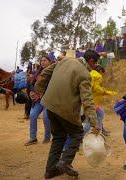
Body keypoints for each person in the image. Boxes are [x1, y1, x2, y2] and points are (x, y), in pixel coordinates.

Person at [33, 49, 100, 178]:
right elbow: (87, 100)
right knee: (77, 133)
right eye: (95, 64)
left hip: (49, 105)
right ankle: (65, 162)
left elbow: (45, 72)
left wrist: (38, 89)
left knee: (58, 137)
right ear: (91, 61)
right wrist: (94, 122)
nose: (95, 67)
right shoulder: (85, 74)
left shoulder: (64, 60)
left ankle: (50, 170)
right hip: (64, 109)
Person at [24, 56, 54, 146]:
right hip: (38, 100)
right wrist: (32, 92)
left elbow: (53, 86)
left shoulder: (54, 73)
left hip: (49, 100)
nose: (42, 62)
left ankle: (47, 137)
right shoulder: (38, 73)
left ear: (50, 62)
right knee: (32, 115)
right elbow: (32, 84)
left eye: (45, 60)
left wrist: (40, 93)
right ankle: (33, 138)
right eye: (41, 61)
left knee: (46, 117)